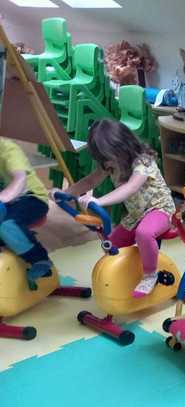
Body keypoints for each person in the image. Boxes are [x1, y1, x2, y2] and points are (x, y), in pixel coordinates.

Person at [53, 119, 175, 297]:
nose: (107, 162)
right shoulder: (110, 164)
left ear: (123, 146)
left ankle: (150, 275)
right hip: (136, 214)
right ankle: (129, 274)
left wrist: (99, 201)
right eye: (103, 158)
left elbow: (130, 187)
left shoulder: (143, 162)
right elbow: (90, 181)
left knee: (144, 233)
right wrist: (65, 193)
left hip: (160, 209)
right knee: (111, 245)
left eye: (109, 156)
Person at [0, 138, 53, 282]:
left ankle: (40, 260)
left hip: (32, 197)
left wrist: (3, 197)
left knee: (7, 225)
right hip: (8, 202)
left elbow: (20, 178)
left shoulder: (8, 149)